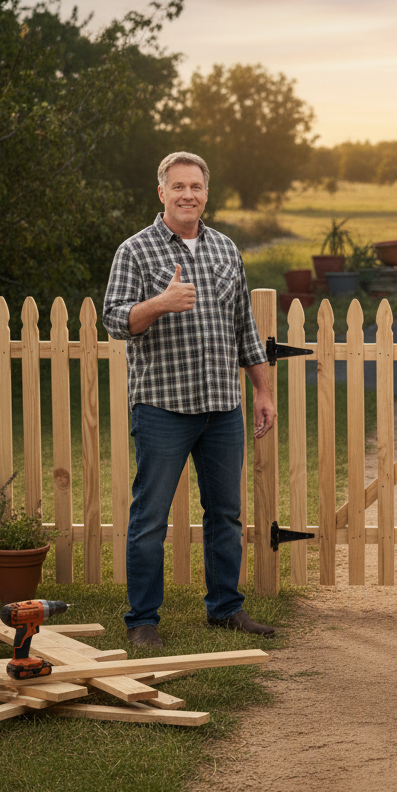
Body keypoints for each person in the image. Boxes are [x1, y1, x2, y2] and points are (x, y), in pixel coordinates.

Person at [103, 151, 277, 648]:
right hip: (162, 407)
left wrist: (262, 390)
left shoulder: (225, 248)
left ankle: (225, 609)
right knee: (149, 519)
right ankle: (142, 620)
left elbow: (244, 327)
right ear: (162, 192)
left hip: (222, 406)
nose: (187, 195)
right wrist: (160, 303)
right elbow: (114, 320)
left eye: (195, 187)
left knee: (225, 514)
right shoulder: (135, 251)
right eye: (178, 186)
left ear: (206, 193)